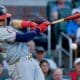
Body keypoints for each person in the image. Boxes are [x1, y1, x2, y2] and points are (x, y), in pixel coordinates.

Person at [0, 5, 50, 80]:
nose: (5, 20)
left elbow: (14, 23)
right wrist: (38, 30)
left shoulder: (4, 26)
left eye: (4, 18)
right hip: (18, 65)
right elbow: (24, 38)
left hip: (29, 59)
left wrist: (29, 24)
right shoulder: (1, 32)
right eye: (1, 19)